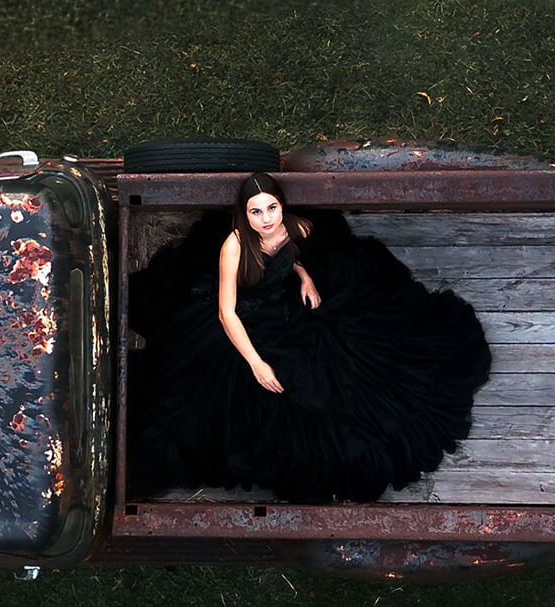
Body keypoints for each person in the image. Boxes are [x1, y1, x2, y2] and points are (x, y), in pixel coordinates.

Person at [128, 172, 492, 503]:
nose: (266, 219)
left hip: (283, 307)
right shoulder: (234, 246)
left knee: (359, 359)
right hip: (241, 319)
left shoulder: (292, 228)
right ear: (244, 214)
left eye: (272, 208)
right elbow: (227, 313)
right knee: (271, 398)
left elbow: (292, 257)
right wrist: (256, 364)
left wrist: (305, 278)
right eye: (256, 212)